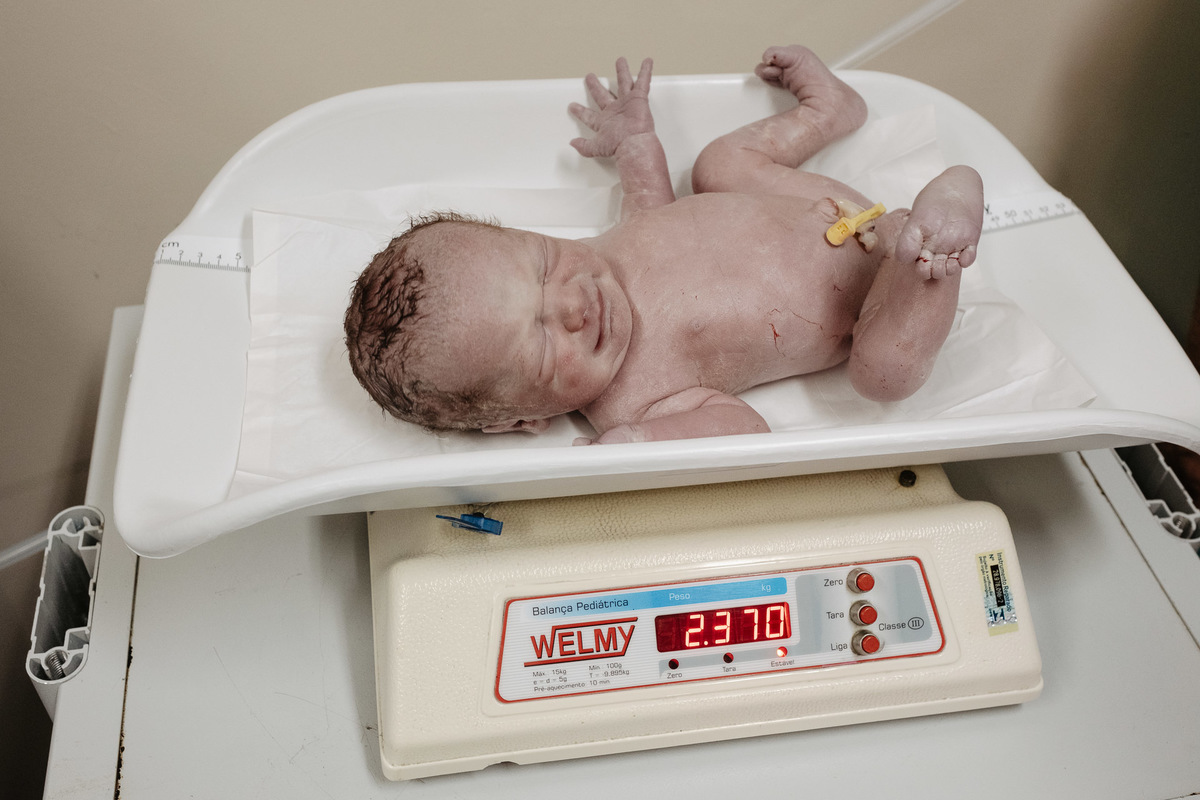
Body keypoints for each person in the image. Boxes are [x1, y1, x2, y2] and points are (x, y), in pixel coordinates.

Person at [344, 45, 984, 445]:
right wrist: (642, 444)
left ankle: (826, 111)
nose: (572, 304)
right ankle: (934, 259)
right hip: (878, 291)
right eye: (540, 341)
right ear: (519, 419)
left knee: (717, 166)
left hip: (815, 200)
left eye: (541, 266)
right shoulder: (633, 403)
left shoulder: (609, 249)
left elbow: (651, 197)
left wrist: (632, 140)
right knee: (883, 374)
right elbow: (744, 428)